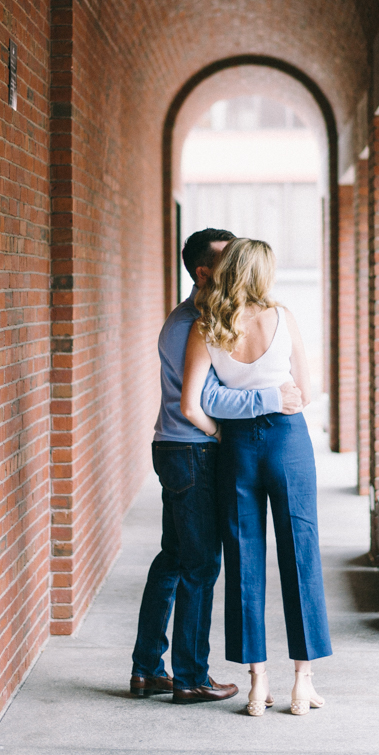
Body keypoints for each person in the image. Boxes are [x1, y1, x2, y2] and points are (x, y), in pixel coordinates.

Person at [130, 229, 305, 705]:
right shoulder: (197, 323)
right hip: (192, 450)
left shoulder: (191, 317)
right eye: (229, 265)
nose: (238, 274)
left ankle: (147, 668)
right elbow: (202, 400)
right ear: (206, 273)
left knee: (174, 559)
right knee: (202, 566)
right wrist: (230, 428)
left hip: (175, 448)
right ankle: (190, 676)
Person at [180, 237, 332, 717]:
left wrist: (223, 432)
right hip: (287, 441)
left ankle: (256, 684)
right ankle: (301, 683)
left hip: (238, 447)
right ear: (261, 274)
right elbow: (305, 392)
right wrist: (276, 395)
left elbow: (197, 403)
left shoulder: (207, 326)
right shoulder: (281, 317)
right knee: (300, 550)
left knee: (244, 556)